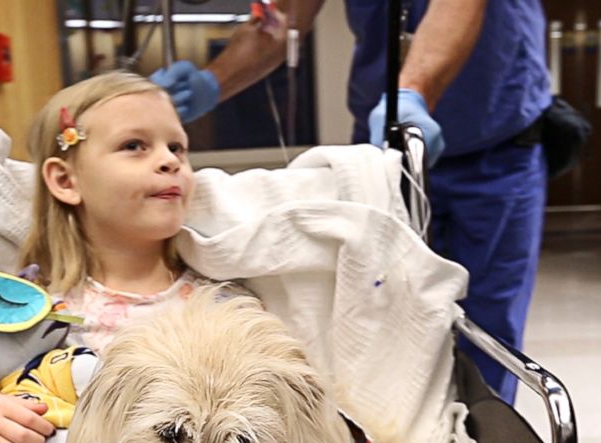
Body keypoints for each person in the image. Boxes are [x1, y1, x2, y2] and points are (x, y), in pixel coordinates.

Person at [151, 0, 551, 403]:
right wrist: (212, 82)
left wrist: (412, 91)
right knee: (377, 315)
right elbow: (282, 19)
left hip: (494, 147)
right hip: (382, 149)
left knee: (485, 334)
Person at [0, 71, 223, 443]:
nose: (169, 161)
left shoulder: (223, 309)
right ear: (66, 181)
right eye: (134, 146)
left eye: (176, 147)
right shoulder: (21, 316)